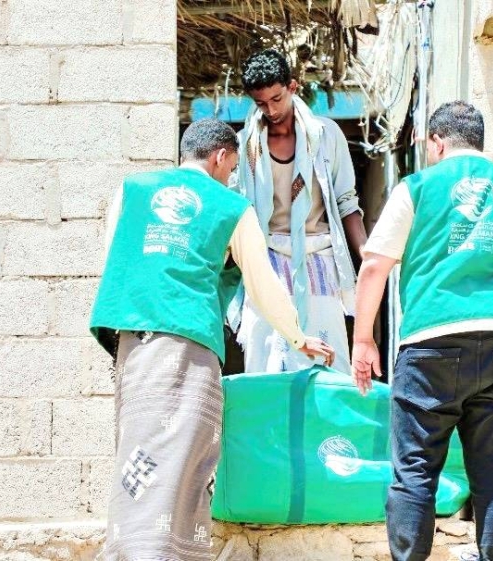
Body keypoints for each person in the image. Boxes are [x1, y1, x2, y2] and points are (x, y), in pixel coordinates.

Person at [89, 119, 334, 561]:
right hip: (190, 339)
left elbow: (117, 258)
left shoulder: (132, 189)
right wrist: (298, 338)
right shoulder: (230, 207)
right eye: (233, 167)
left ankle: (126, 549)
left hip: (134, 342)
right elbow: (262, 283)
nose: (231, 176)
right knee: (185, 454)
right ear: (221, 157)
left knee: (137, 450)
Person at [350, 101, 493, 561]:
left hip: (430, 344)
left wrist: (363, 340)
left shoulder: (415, 189)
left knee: (415, 472)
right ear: (477, 141)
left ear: (436, 143)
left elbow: (374, 266)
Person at [230, 49, 368, 376]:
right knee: (265, 365)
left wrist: (368, 256)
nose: (271, 110)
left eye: (276, 99)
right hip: (266, 258)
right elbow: (234, 211)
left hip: (319, 257)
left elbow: (347, 202)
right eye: (261, 103)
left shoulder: (326, 135)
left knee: (328, 361)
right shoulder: (245, 144)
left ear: (292, 87)